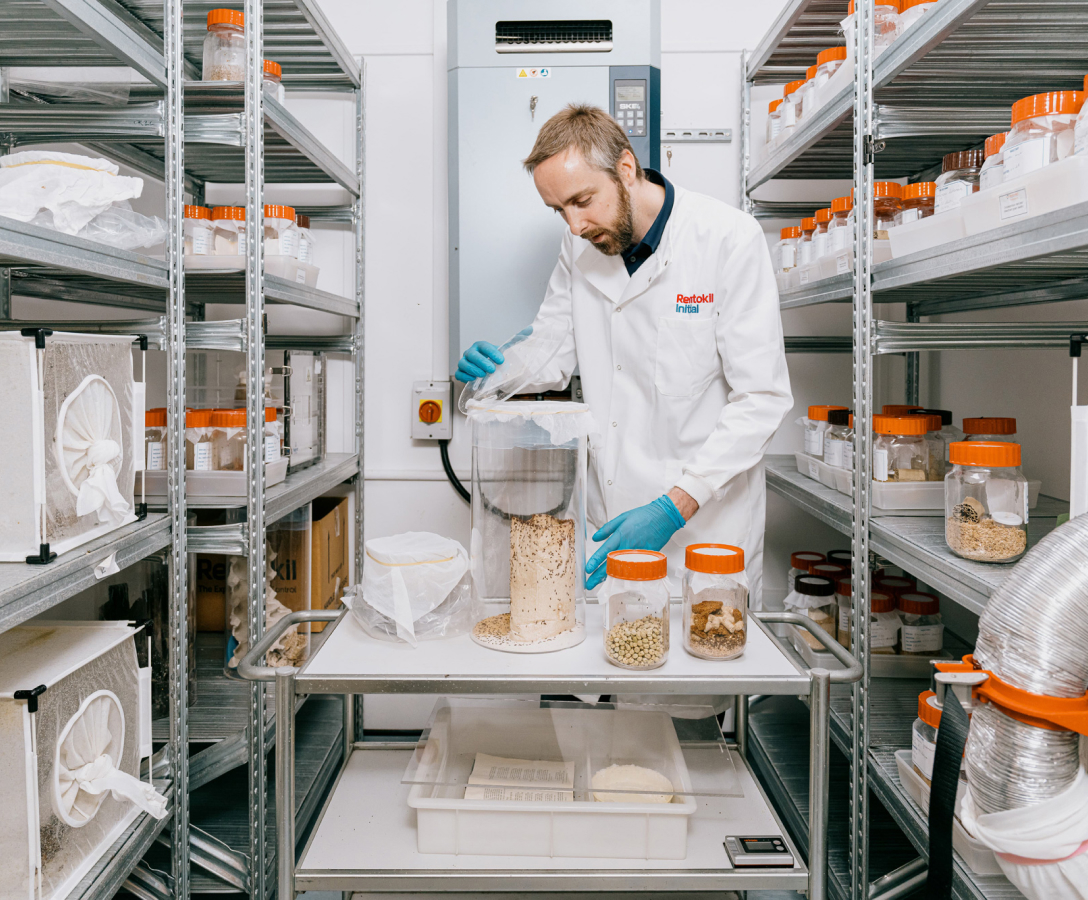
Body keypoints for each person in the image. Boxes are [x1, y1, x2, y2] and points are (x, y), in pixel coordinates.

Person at [456, 104, 792, 605]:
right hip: (612, 518)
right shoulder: (579, 247)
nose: (574, 225)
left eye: (582, 200)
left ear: (626, 169)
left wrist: (674, 508)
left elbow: (762, 399)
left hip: (705, 529)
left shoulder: (727, 238)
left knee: (702, 645)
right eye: (559, 210)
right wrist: (497, 369)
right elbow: (551, 349)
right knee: (614, 644)